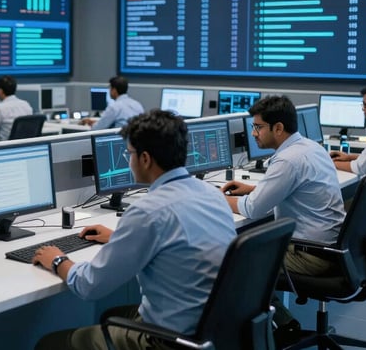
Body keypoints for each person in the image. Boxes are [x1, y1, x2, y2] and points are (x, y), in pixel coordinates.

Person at [33, 109, 236, 350]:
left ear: (146, 159)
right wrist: (119, 238)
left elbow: (90, 285)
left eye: (129, 154)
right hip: (216, 329)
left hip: (170, 340)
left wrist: (58, 260)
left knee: (51, 344)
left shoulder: (148, 212)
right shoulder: (212, 194)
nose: (128, 161)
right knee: (114, 313)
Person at [221, 95, 345, 345]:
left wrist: (215, 198)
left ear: (278, 128)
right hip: (332, 247)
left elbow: (253, 209)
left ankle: (276, 328)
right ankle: (283, 323)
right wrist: (251, 188)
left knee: (235, 264)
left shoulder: (288, 159)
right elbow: (281, 190)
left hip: (310, 254)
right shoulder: (310, 147)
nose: (253, 134)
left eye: (258, 127)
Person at [80, 76, 144, 129]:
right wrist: (93, 122)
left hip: (120, 140)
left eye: (110, 89)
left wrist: (89, 124)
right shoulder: (138, 105)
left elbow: (98, 128)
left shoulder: (114, 107)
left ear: (114, 90)